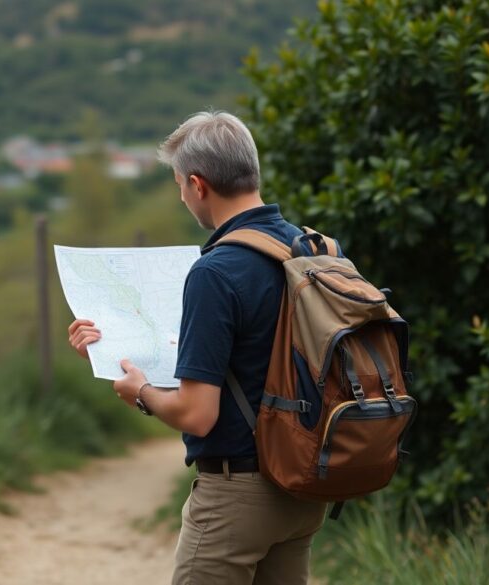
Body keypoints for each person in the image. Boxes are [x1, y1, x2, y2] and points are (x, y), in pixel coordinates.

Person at [67, 111, 327, 584]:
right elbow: (250, 362)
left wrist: (140, 392)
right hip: (302, 487)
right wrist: (113, 352)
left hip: (238, 496)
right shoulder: (312, 249)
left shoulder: (216, 271)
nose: (182, 197)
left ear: (197, 184)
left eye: (179, 186)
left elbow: (197, 414)